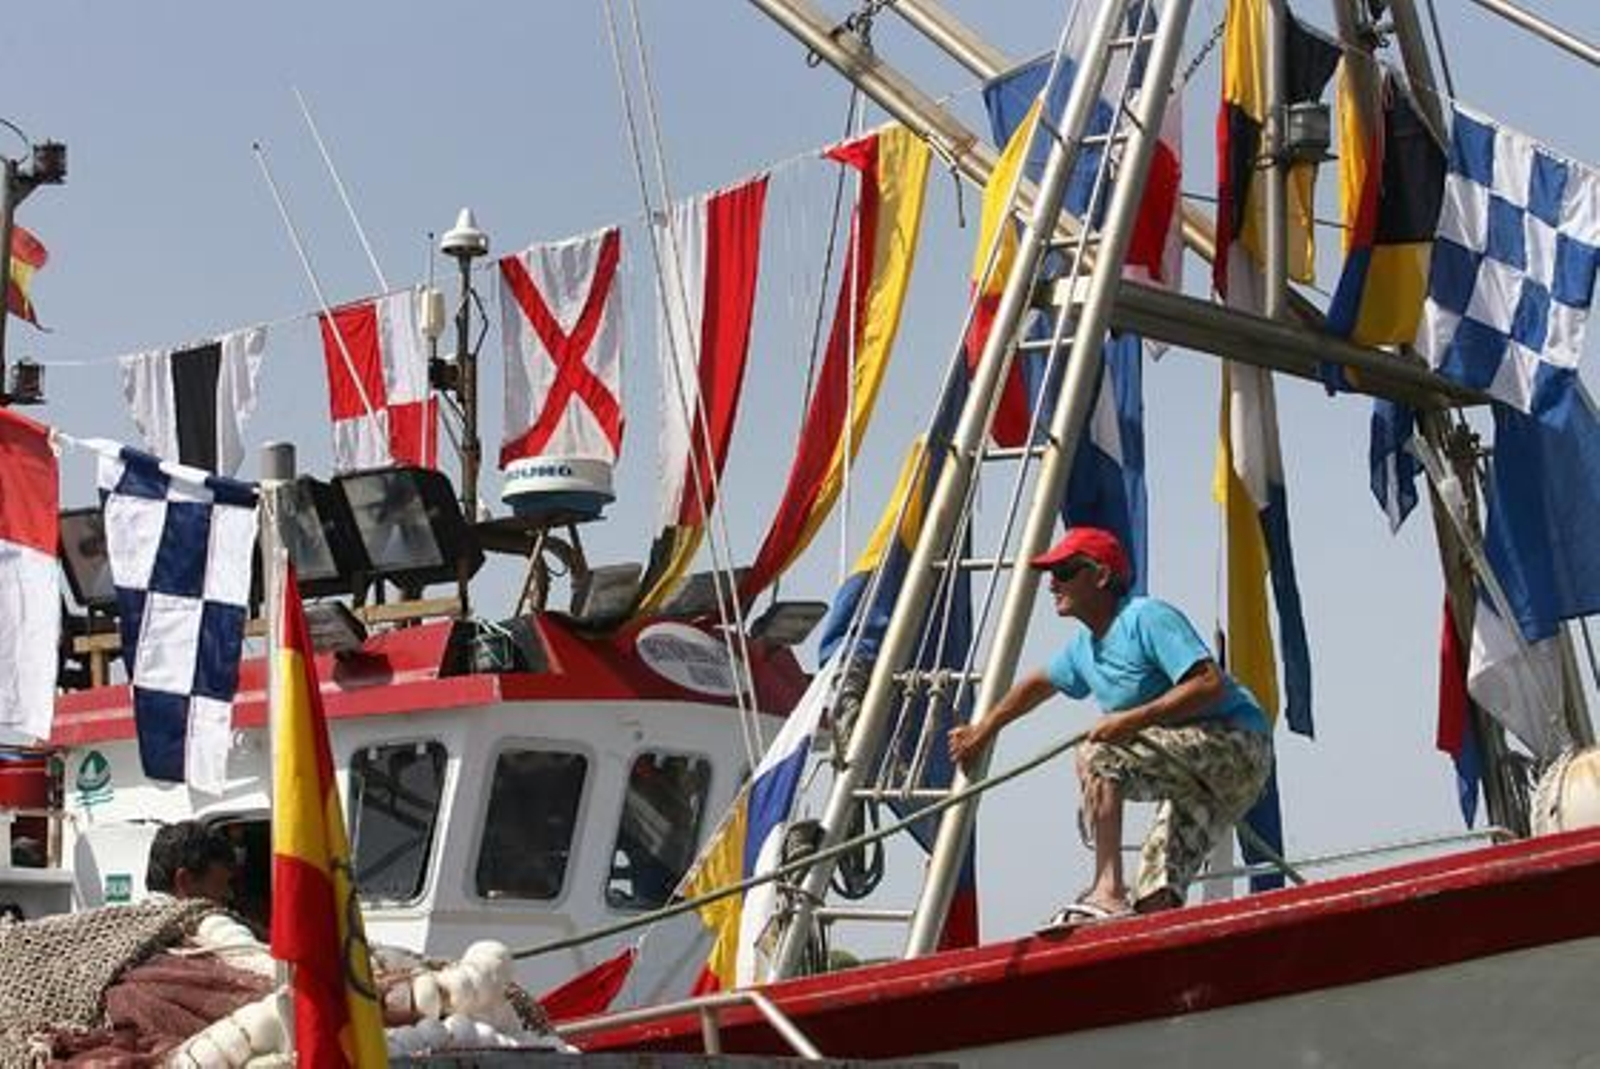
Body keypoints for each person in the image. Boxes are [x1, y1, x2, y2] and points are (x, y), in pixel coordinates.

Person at [948, 526, 1272, 922]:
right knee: (1154, 890)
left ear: (1100, 577)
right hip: (1196, 774)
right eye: (1051, 574)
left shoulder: (1146, 618)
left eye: (1065, 572)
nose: (1052, 584)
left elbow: (1208, 683)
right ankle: (1157, 951)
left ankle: (1106, 889)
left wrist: (1133, 720)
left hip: (1238, 744)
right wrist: (983, 731)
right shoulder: (1084, 648)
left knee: (1098, 752)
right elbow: (1035, 686)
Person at [145, 820, 237, 906]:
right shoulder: (212, 921)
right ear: (185, 881)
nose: (230, 894)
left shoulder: (135, 918)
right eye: (223, 883)